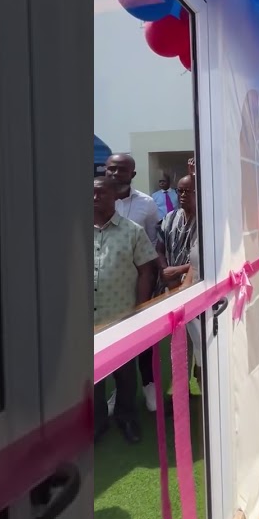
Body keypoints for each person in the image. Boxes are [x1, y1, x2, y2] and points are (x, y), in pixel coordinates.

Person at [104, 152, 162, 411]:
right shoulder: (96, 199)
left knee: (143, 338)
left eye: (121, 170)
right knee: (111, 341)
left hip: (140, 281)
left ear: (133, 174)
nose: (115, 174)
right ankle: (120, 391)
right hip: (107, 285)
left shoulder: (147, 204)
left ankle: (149, 385)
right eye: (110, 169)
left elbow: (152, 240)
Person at [156, 174, 203, 373]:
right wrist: (166, 269)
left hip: (196, 290)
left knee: (202, 349)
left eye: (188, 191)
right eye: (180, 191)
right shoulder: (170, 217)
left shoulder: (205, 221)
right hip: (171, 287)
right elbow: (158, 247)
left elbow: (203, 257)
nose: (183, 195)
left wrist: (179, 270)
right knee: (178, 346)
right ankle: (179, 391)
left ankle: (203, 389)